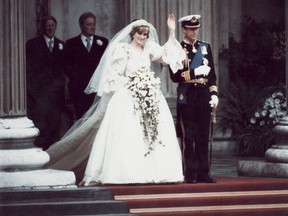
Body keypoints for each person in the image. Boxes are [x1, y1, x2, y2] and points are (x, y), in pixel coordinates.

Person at [45, 14, 185, 185]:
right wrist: (134, 83)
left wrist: (171, 31)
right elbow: (113, 76)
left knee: (153, 132)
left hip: (150, 95)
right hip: (128, 95)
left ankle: (156, 171)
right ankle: (126, 172)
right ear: (132, 34)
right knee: (127, 134)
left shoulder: (149, 48)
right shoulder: (122, 49)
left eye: (145, 35)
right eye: (140, 34)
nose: (143, 37)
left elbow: (167, 55)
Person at [169, 14, 219, 183]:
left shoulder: (205, 47)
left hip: (204, 94)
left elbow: (212, 75)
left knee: (204, 135)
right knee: (189, 135)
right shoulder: (176, 49)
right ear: (183, 29)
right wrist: (194, 72)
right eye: (190, 29)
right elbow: (175, 76)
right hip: (188, 94)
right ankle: (190, 173)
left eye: (196, 28)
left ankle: (204, 172)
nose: (194, 31)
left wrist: (214, 94)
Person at [26, 16, 66, 150]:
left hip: (56, 94)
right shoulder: (33, 44)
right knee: (41, 124)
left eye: (52, 26)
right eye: (47, 26)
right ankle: (39, 152)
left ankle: (52, 153)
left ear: (56, 27)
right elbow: (29, 69)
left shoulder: (61, 45)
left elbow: (63, 69)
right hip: (40, 94)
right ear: (43, 27)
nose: (50, 28)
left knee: (54, 125)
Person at [65, 12, 108, 120]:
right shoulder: (71, 43)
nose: (92, 27)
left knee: (96, 118)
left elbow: (106, 63)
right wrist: (77, 78)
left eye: (93, 24)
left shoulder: (103, 42)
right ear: (81, 25)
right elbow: (66, 65)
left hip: (97, 88)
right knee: (81, 118)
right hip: (78, 88)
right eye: (88, 24)